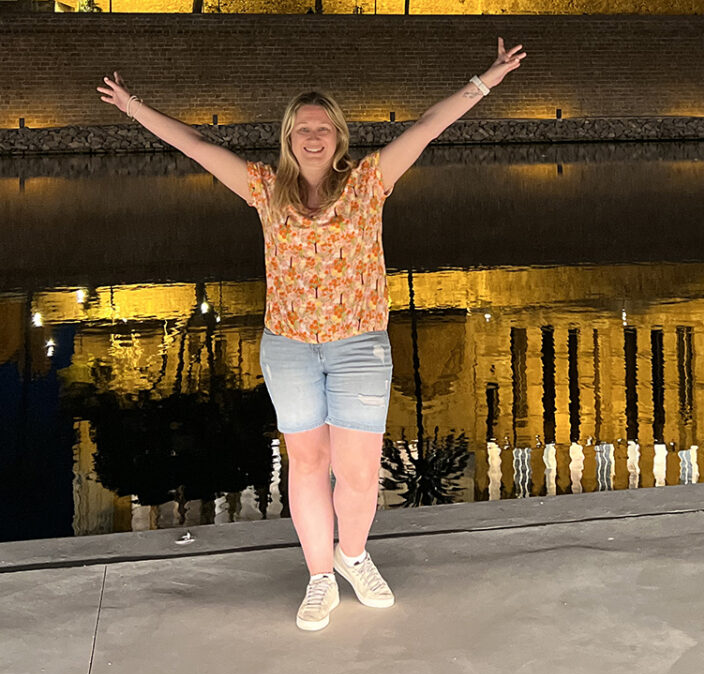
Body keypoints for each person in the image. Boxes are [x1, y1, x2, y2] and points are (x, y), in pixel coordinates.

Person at [96, 37, 525, 632]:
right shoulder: (263, 189)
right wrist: (134, 106)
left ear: (339, 136)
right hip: (291, 348)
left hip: (359, 346)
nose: (314, 137)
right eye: (302, 129)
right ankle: (320, 576)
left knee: (356, 469)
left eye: (323, 128)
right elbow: (196, 146)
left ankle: (354, 555)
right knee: (306, 462)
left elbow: (426, 128)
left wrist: (487, 81)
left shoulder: (369, 182)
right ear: (288, 140)